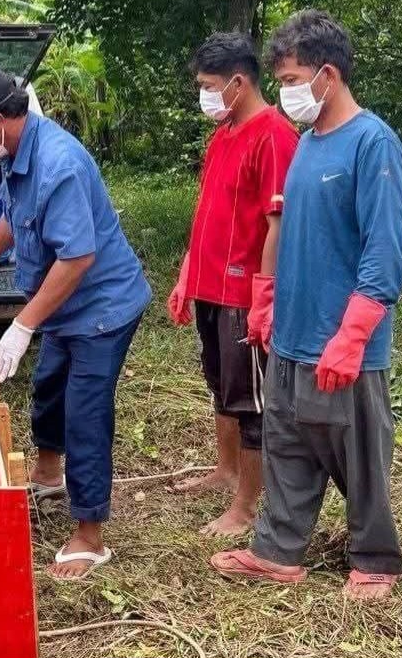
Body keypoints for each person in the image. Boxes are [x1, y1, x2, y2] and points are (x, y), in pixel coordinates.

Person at [211, 10, 402, 601]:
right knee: (289, 442)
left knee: (357, 450)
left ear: (328, 74)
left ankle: (376, 557)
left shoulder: (372, 142)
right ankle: (278, 550)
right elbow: (289, 230)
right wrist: (266, 301)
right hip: (293, 331)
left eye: (292, 78)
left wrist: (352, 337)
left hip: (343, 337)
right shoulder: (309, 144)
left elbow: (384, 250)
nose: (285, 91)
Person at [0, 67, 152, 580]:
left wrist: (22, 324)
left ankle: (90, 533)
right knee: (48, 386)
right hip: (62, 306)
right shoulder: (16, 153)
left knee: (85, 412)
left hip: (102, 307)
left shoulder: (59, 163)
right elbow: (13, 214)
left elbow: (78, 257)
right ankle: (47, 473)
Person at [166, 33, 299, 537]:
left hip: (244, 296)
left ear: (238, 83)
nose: (204, 94)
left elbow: (277, 224)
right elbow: (208, 213)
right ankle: (225, 472)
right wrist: (186, 276)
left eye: (209, 85)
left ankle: (246, 505)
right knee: (221, 385)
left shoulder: (274, 136)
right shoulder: (224, 133)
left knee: (250, 402)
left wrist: (263, 296)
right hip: (211, 289)